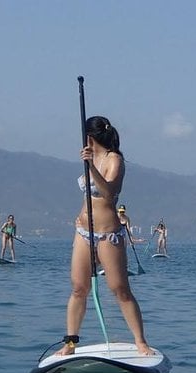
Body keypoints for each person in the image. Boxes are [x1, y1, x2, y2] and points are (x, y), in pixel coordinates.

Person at [56, 116, 153, 356]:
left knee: (120, 288)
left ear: (90, 136)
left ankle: (140, 341)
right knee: (79, 288)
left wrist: (90, 167)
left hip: (108, 234)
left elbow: (109, 193)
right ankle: (70, 343)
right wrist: (89, 162)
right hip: (83, 231)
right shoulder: (89, 155)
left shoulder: (114, 159)